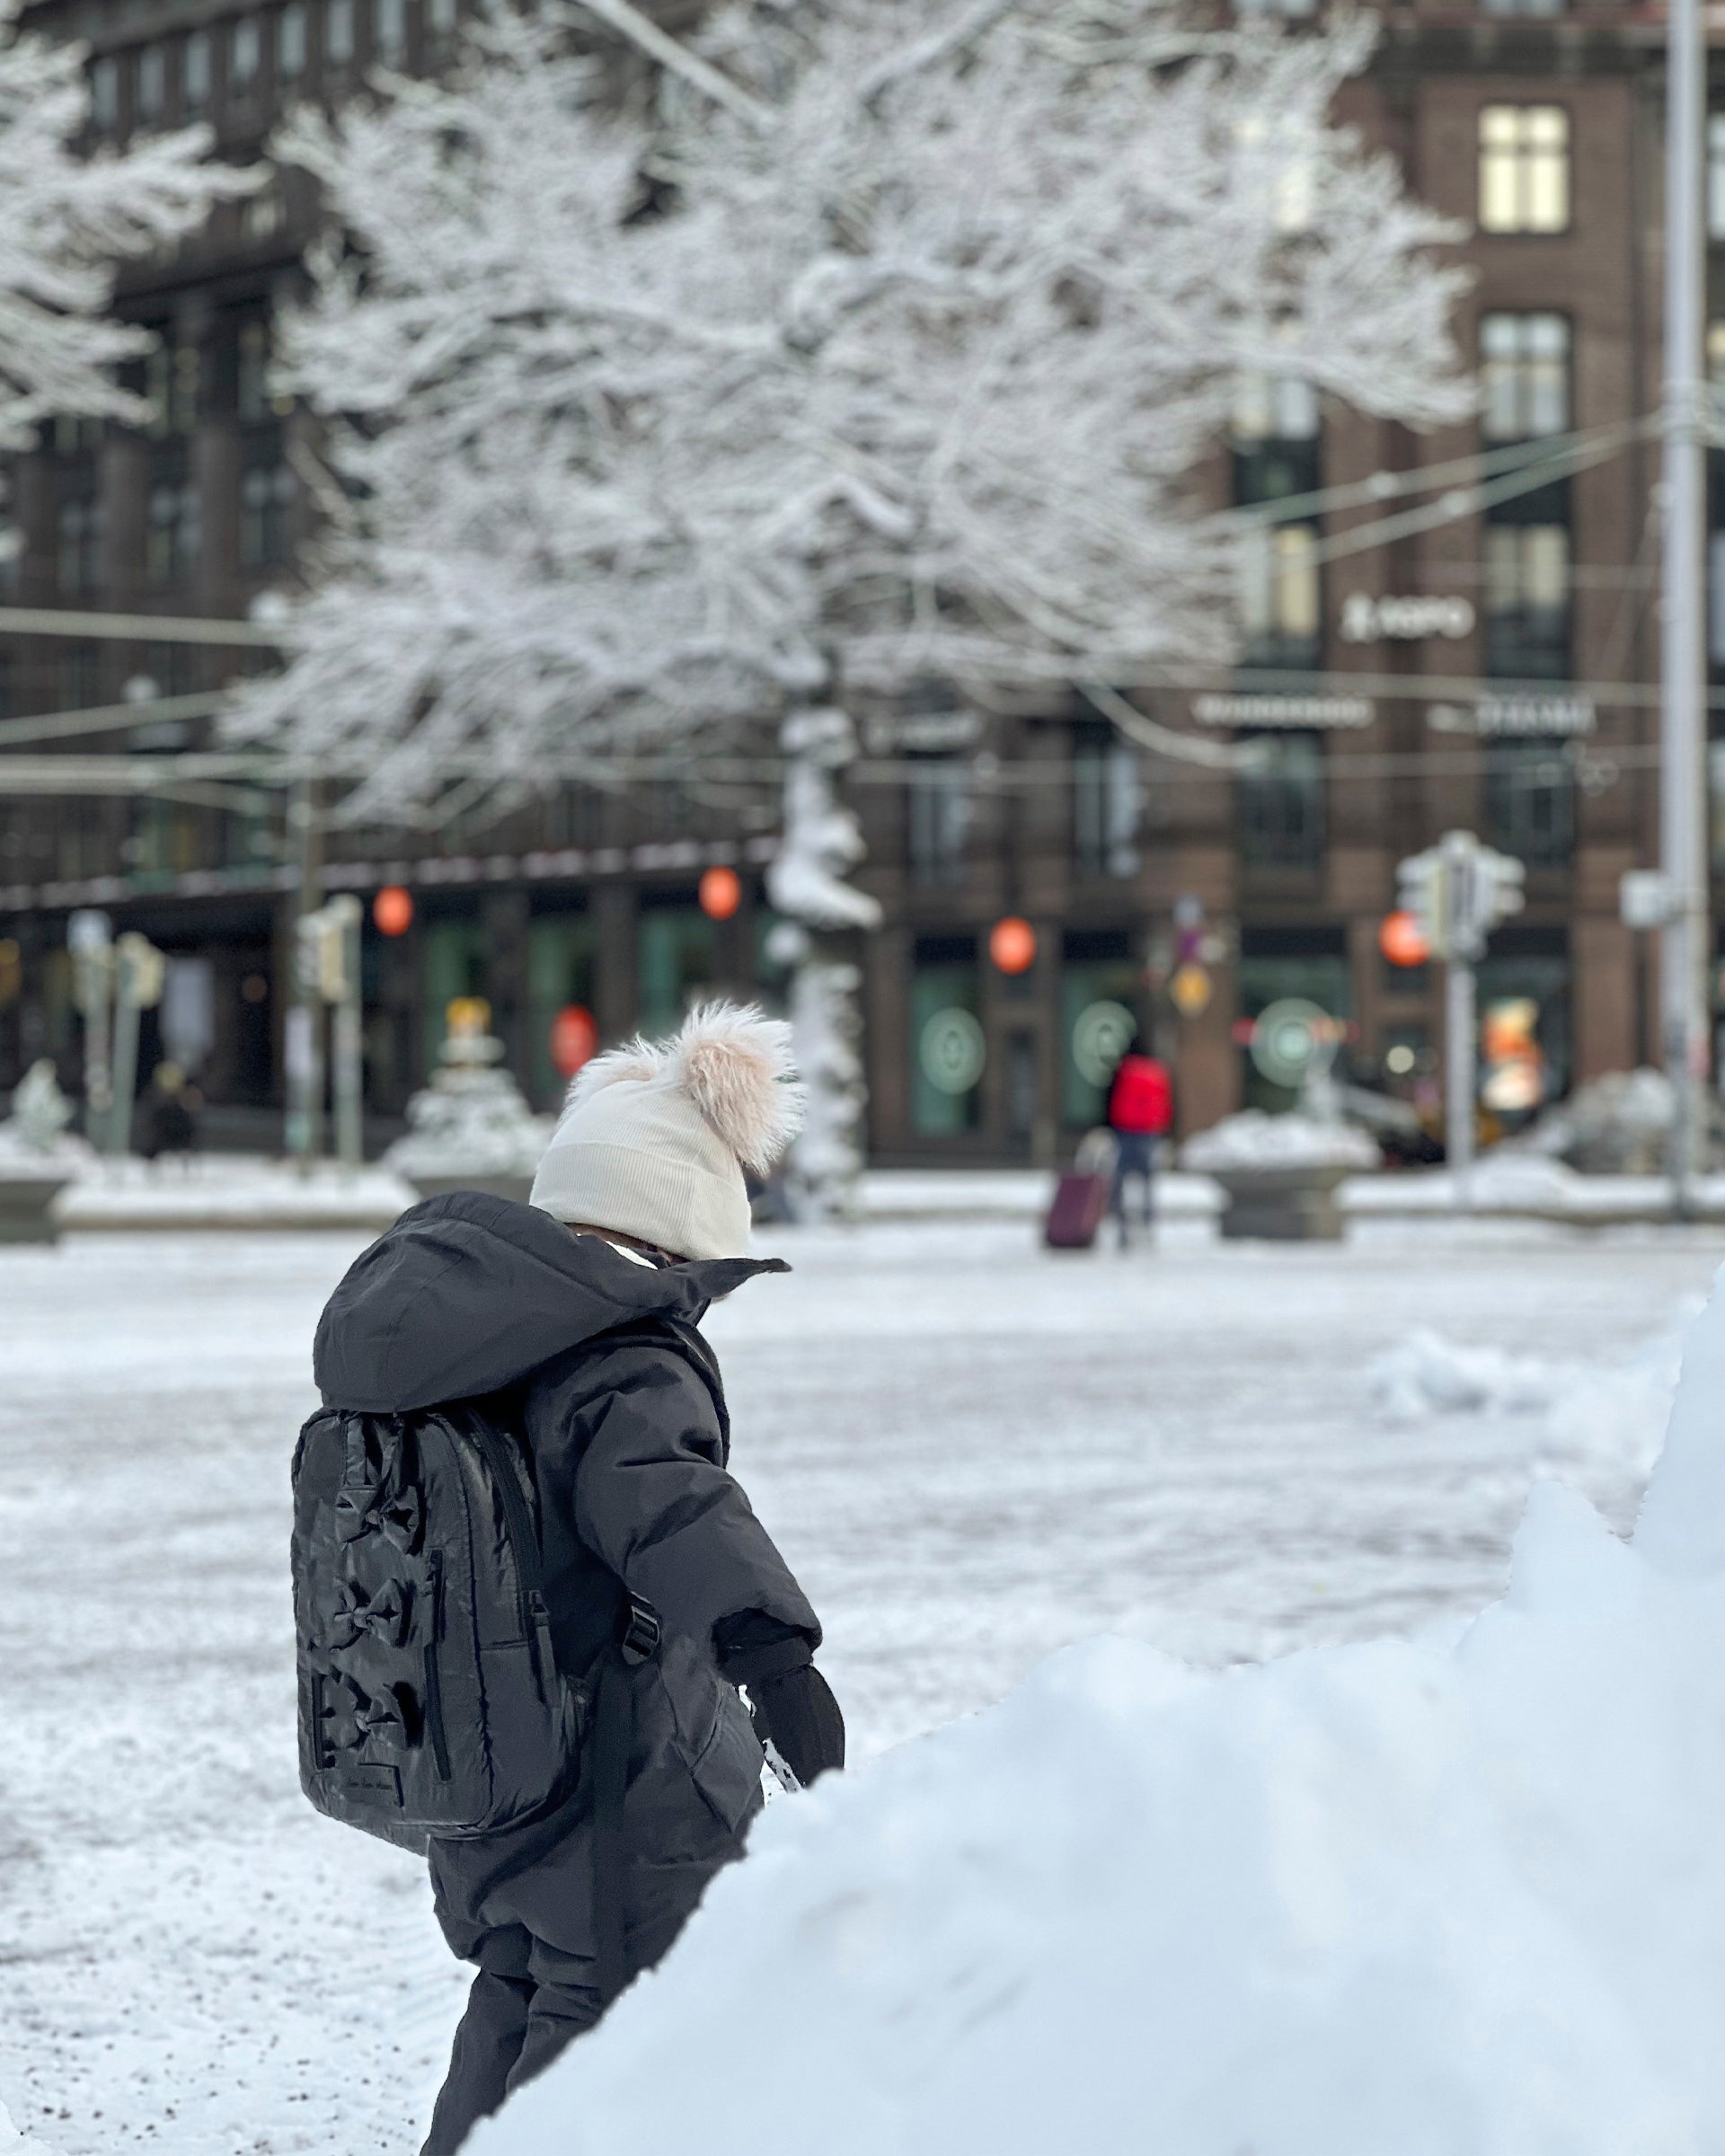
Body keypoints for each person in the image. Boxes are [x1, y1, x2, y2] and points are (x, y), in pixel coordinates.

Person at [311, 1003, 844, 2156]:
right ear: (673, 1236)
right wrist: (776, 1656)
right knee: (606, 2018)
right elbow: (674, 1505)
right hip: (613, 1766)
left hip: (480, 1759)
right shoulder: (616, 1358)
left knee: (518, 1981)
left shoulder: (482, 1339)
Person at [1106, 1039, 1172, 1247]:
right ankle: (1148, 1220)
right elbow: (1166, 1101)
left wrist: (1109, 1124)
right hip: (1149, 1131)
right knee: (1148, 1179)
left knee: (1120, 1178)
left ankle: (1121, 1221)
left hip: (1126, 1129)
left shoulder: (1124, 1071)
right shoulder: (1157, 1071)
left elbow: (1111, 1098)